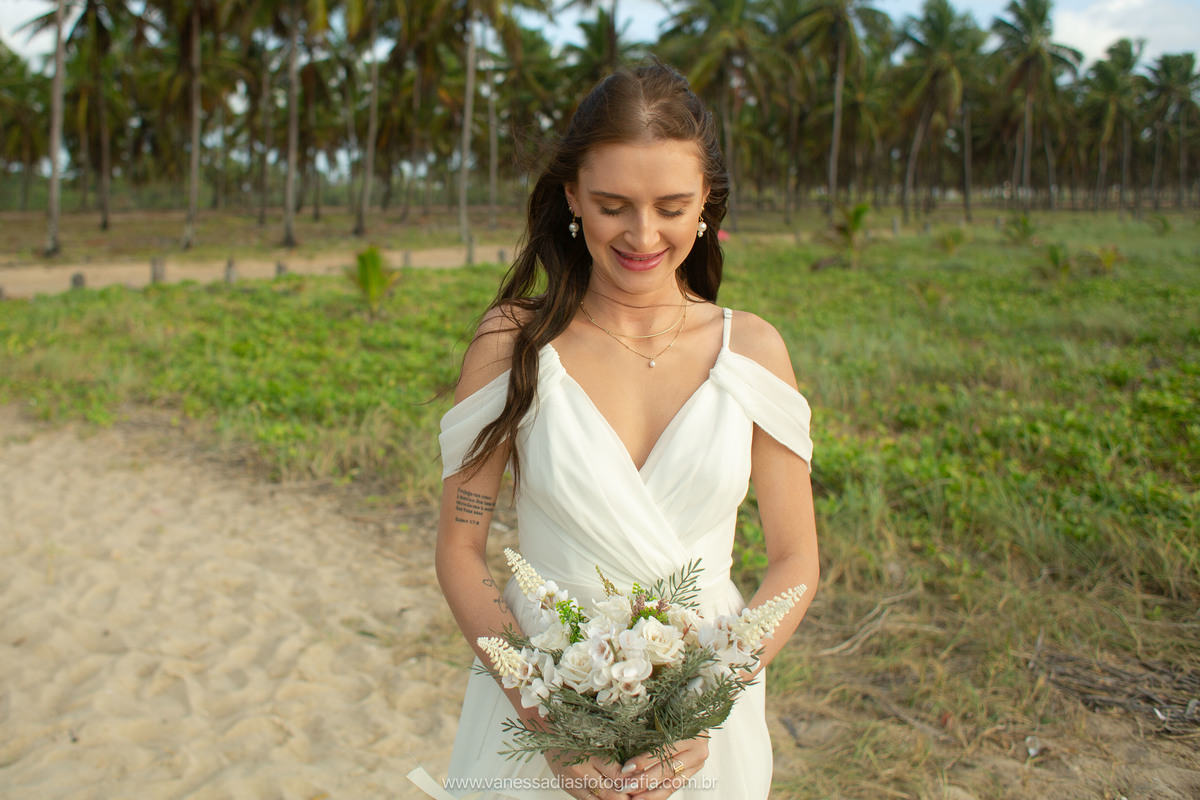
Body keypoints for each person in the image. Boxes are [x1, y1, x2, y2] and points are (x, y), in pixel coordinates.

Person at [433, 61, 819, 800]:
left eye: (671, 206)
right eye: (614, 206)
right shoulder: (513, 342)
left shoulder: (753, 352)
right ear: (573, 195)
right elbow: (460, 546)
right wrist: (545, 716)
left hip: (706, 719)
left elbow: (796, 559)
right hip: (538, 709)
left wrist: (708, 702)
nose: (643, 235)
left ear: (706, 200)